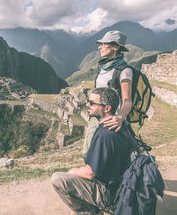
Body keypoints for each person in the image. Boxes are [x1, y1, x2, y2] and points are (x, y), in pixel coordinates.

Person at [52, 87, 130, 215]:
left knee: (58, 179)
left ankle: (90, 212)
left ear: (107, 108)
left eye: (92, 103)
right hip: (116, 187)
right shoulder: (117, 126)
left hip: (108, 194)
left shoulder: (105, 136)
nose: (87, 104)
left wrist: (73, 171)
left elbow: (90, 173)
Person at [83, 30, 133, 156]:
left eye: (104, 44)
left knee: (99, 152)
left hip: (111, 118)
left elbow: (127, 100)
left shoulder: (124, 71)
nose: (99, 47)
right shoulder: (104, 67)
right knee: (89, 149)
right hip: (97, 115)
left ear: (115, 47)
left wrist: (120, 118)